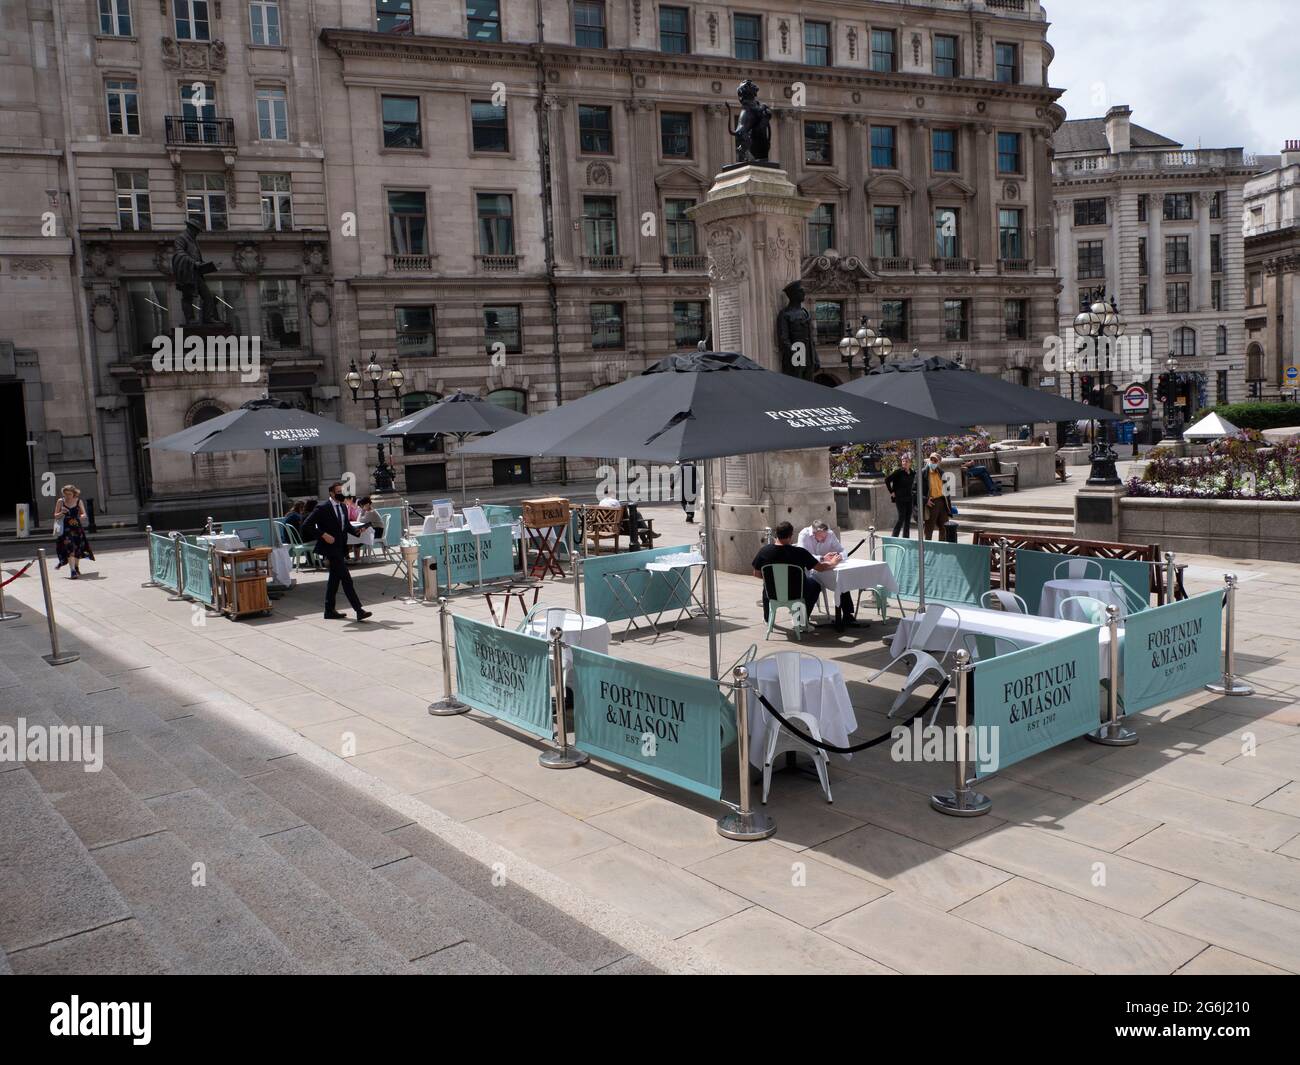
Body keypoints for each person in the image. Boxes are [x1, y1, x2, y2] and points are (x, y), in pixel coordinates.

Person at [752, 521, 840, 632]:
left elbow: (756, 573)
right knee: (815, 585)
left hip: (774, 592)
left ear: (776, 534)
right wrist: (833, 563)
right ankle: (801, 620)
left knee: (767, 586)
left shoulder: (764, 551)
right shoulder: (800, 552)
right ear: (790, 536)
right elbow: (820, 568)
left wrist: (773, 580)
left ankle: (767, 618)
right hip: (797, 592)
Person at [302, 482, 372, 621]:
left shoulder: (343, 507)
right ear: (332, 493)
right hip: (330, 548)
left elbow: (345, 526)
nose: (341, 493)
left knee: (334, 580)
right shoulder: (322, 508)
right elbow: (306, 525)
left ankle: (329, 610)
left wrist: (358, 530)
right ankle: (359, 610)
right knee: (346, 579)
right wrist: (323, 535)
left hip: (341, 547)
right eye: (338, 491)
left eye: (342, 490)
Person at [799, 521, 858, 627]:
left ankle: (847, 614)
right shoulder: (804, 535)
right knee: (814, 585)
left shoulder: (829, 534)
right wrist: (822, 558)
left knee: (841, 579)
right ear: (814, 533)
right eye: (821, 537)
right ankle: (803, 618)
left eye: (825, 536)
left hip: (827, 568)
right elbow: (803, 555)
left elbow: (843, 551)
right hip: (810, 570)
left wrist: (838, 556)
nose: (824, 539)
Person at [53, 485, 95, 579]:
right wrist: (61, 513)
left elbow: (83, 513)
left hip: (76, 528)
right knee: (70, 548)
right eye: (65, 494)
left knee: (77, 548)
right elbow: (55, 515)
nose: (67, 496)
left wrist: (83, 516)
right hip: (65, 529)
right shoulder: (60, 501)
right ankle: (72, 571)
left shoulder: (78, 501)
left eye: (69, 494)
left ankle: (76, 566)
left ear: (74, 493)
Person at [922, 453, 952, 540]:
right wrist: (925, 500)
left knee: (944, 527)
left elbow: (946, 489)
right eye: (931, 459)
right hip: (931, 503)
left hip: (942, 501)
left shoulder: (941, 472)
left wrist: (948, 505)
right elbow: (914, 491)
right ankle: (927, 550)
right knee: (929, 529)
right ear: (929, 460)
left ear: (939, 462)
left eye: (935, 461)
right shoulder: (923, 473)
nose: (933, 462)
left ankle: (942, 549)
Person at [885, 453, 915, 538]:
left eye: (906, 461)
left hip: (909, 498)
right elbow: (887, 480)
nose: (904, 463)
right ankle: (894, 536)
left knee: (907, 519)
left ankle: (906, 537)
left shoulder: (912, 473)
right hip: (900, 498)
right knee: (901, 518)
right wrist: (892, 491)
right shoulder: (898, 472)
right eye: (903, 461)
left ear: (910, 463)